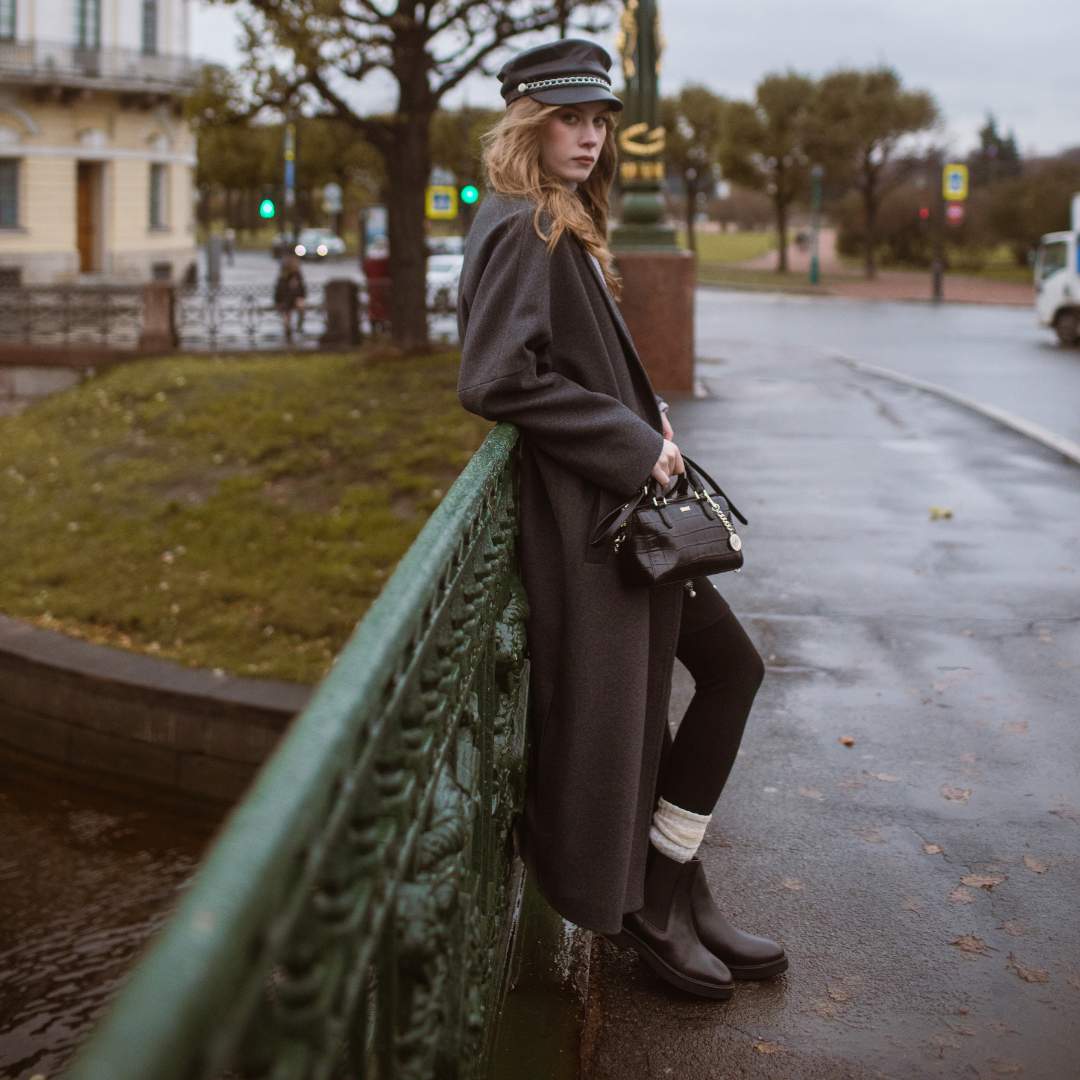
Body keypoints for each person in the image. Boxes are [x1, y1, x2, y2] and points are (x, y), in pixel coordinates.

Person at [456, 38, 787, 1001]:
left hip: (620, 517)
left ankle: (674, 882)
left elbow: (566, 360)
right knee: (682, 691)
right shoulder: (524, 225)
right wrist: (630, 441)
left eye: (599, 119)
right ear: (527, 121)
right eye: (571, 118)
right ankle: (652, 899)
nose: (590, 135)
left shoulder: (552, 217)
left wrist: (648, 418)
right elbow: (494, 377)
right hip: (600, 525)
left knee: (726, 673)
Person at [273, 254, 307, 344]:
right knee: (286, 316)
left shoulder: (297, 275)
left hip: (294, 299)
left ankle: (299, 326)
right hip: (285, 301)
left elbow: (302, 290)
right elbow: (279, 291)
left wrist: (300, 297)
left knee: (301, 306)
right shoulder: (282, 277)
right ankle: (288, 332)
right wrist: (278, 302)